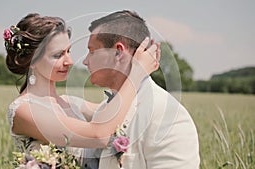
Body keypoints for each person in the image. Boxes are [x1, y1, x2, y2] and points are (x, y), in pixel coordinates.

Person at [4, 13, 159, 164]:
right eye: (58, 55)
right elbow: (99, 135)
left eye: (68, 51)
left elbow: (124, 114)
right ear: (31, 61)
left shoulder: (70, 103)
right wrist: (137, 73)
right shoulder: (24, 110)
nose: (69, 61)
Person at [81, 10, 200, 169]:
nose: (85, 61)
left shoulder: (167, 115)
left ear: (118, 52)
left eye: (92, 51)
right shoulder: (104, 110)